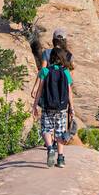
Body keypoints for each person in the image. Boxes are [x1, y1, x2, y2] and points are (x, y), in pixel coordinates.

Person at [34, 40, 75, 168]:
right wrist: (72, 108)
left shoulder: (45, 71)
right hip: (62, 108)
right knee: (60, 131)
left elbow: (39, 91)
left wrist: (34, 105)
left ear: (50, 58)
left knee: (46, 129)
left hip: (47, 107)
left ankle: (50, 149)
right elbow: (69, 92)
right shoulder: (66, 72)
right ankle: (61, 159)